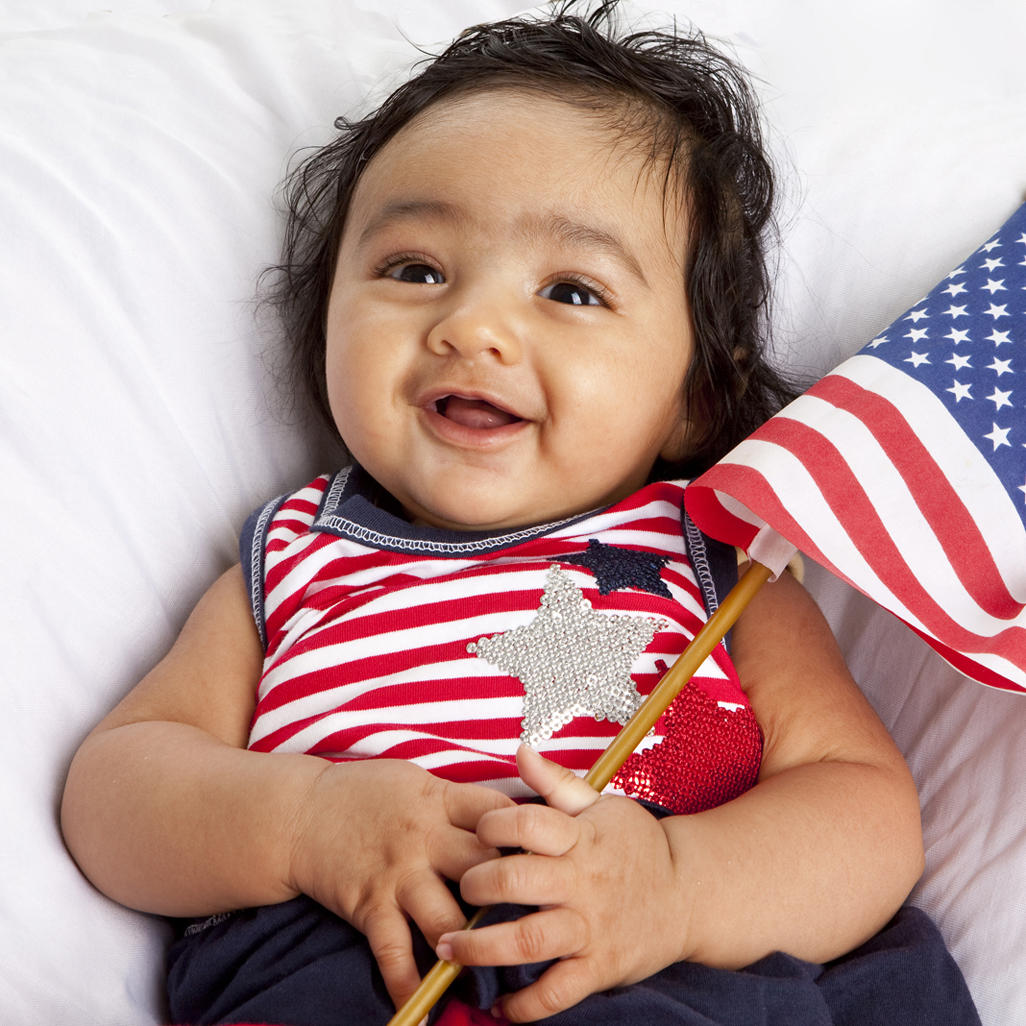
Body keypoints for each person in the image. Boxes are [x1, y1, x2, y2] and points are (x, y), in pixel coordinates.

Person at [59, 2, 979, 1024]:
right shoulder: (294, 560)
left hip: (677, 968)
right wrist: (307, 821)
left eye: (573, 291)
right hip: (371, 965)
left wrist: (675, 885)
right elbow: (116, 792)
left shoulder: (720, 559)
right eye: (415, 270)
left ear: (697, 396)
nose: (473, 325)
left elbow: (863, 812)